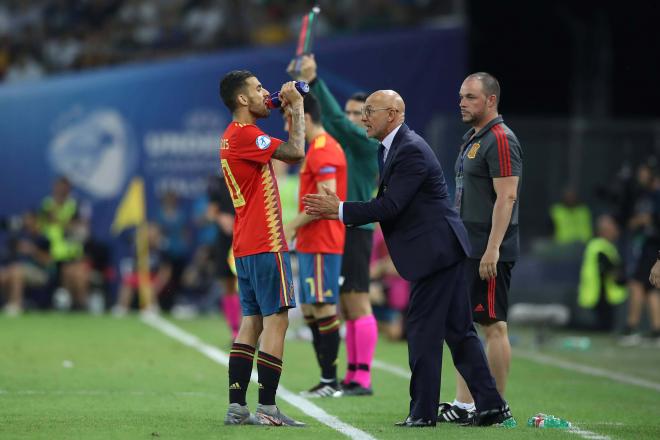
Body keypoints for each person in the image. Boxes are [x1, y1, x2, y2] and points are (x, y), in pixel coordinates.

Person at [304, 89, 512, 427]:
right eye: (363, 111)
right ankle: (490, 405)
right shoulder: (391, 149)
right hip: (440, 250)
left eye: (370, 111)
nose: (364, 117)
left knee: (422, 332)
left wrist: (339, 209)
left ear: (395, 113)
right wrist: (343, 207)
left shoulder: (410, 149)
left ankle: (423, 413)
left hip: (438, 253)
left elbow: (390, 206)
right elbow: (389, 202)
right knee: (458, 332)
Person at [219, 70, 306, 427]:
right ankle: (268, 409)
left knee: (251, 322)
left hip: (245, 244)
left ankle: (237, 407)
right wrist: (297, 109)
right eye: (258, 89)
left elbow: (267, 110)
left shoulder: (230, 136)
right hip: (267, 242)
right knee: (277, 320)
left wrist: (279, 103)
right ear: (242, 100)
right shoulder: (247, 135)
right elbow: (296, 152)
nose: (265, 92)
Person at [289, 54, 379, 396]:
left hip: (356, 228)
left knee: (357, 303)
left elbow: (334, 120)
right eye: (351, 112)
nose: (352, 119)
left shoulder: (364, 143)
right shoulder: (343, 146)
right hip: (344, 225)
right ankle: (351, 376)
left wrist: (313, 81)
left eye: (360, 114)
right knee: (343, 303)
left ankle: (362, 377)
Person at [439, 72, 523, 424]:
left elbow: (507, 196)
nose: (462, 102)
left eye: (470, 97)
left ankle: (497, 406)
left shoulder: (501, 139)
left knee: (493, 325)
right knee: (464, 325)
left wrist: (493, 249)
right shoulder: (474, 138)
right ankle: (466, 404)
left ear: (491, 100)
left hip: (486, 248)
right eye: (461, 96)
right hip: (466, 246)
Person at [282, 93, 347, 397]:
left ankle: (331, 382)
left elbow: (327, 200)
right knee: (310, 309)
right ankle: (325, 379)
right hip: (310, 242)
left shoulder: (323, 151)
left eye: (289, 120)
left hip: (322, 241)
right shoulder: (317, 151)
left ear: (305, 119)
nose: (286, 128)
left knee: (322, 306)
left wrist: (290, 225)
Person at [577, 214, 627, 331]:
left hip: (603, 295)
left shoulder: (607, 246)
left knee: (604, 326)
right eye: (614, 228)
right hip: (599, 295)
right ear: (605, 231)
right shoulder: (598, 246)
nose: (616, 231)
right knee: (600, 327)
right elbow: (610, 269)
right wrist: (622, 276)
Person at [207, 174, 241, 340]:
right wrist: (221, 218)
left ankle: (254, 331)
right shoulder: (218, 182)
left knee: (250, 285)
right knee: (228, 284)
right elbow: (211, 212)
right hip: (226, 241)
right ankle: (235, 330)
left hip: (247, 236)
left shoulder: (250, 174)